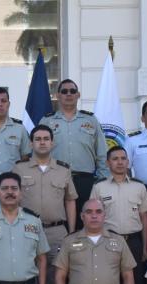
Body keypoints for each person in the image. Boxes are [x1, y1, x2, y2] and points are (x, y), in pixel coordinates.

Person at [11, 124, 77, 284]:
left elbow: (70, 200)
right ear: (31, 143)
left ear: (52, 142)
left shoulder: (63, 171)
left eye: (46, 138)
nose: (41, 142)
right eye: (37, 139)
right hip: (27, 231)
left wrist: (70, 230)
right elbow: (12, 199)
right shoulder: (19, 168)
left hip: (57, 232)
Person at [90, 146, 147, 284]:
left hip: (133, 242)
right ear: (108, 163)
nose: (120, 162)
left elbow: (145, 219)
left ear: (128, 162)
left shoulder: (138, 188)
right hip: (108, 242)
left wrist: (144, 246)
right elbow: (93, 216)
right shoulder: (99, 188)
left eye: (123, 158)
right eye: (115, 159)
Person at [39, 79, 109, 229]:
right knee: (59, 222)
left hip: (85, 181)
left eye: (72, 91)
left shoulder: (91, 120)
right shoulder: (46, 121)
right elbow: (39, 152)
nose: (68, 94)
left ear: (78, 95)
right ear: (58, 95)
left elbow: (102, 153)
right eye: (64, 91)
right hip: (55, 180)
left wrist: (102, 182)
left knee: (87, 221)